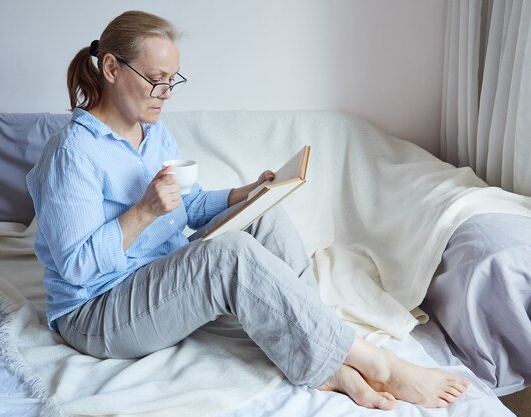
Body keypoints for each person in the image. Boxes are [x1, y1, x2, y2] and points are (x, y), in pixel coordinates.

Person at [26, 10, 469, 410]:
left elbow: (186, 207)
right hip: (96, 313)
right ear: (110, 68)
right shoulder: (72, 152)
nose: (165, 93)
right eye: (155, 78)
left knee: (264, 217)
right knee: (228, 254)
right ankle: (377, 363)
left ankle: (321, 348)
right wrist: (142, 212)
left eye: (172, 80)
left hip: (155, 279)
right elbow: (77, 267)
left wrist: (247, 194)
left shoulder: (153, 133)